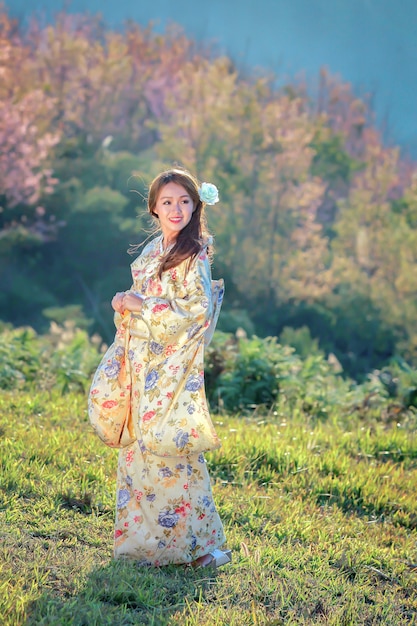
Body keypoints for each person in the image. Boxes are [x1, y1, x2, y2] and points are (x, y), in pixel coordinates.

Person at [110, 167, 230, 568]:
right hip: (144, 363)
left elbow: (196, 310)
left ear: (196, 205)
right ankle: (145, 545)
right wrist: (125, 301)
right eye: (167, 202)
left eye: (184, 201)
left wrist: (140, 305)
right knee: (140, 451)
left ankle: (197, 547)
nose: (176, 209)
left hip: (171, 370)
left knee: (172, 449)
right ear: (154, 209)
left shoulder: (193, 254)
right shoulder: (151, 253)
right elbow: (139, 299)